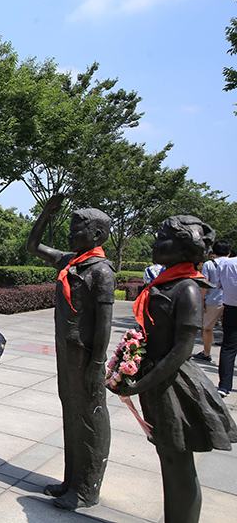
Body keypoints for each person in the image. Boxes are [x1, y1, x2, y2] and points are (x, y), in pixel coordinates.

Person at [119, 216, 237, 523]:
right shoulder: (165, 283)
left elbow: (183, 349)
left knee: (178, 463)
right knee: (167, 456)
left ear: (184, 247)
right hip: (156, 381)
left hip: (175, 385)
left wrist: (138, 384)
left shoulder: (186, 288)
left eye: (162, 238)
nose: (155, 243)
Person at [26, 194, 114, 511]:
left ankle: (88, 488)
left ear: (98, 236)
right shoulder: (70, 262)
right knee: (71, 413)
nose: (70, 234)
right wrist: (46, 214)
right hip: (68, 353)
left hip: (87, 356)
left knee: (89, 417)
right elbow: (33, 247)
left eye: (78, 230)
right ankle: (72, 479)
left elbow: (105, 325)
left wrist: (97, 363)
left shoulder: (100, 272)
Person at [194, 240, 232, 362]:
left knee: (207, 328)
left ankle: (206, 353)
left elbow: (204, 284)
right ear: (229, 252)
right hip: (231, 301)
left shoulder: (209, 265)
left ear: (214, 252)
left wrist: (202, 300)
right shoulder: (233, 264)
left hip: (213, 300)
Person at [216, 244, 237, 397]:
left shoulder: (227, 264)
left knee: (229, 347)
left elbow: (218, 285)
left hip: (231, 309)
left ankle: (224, 386)